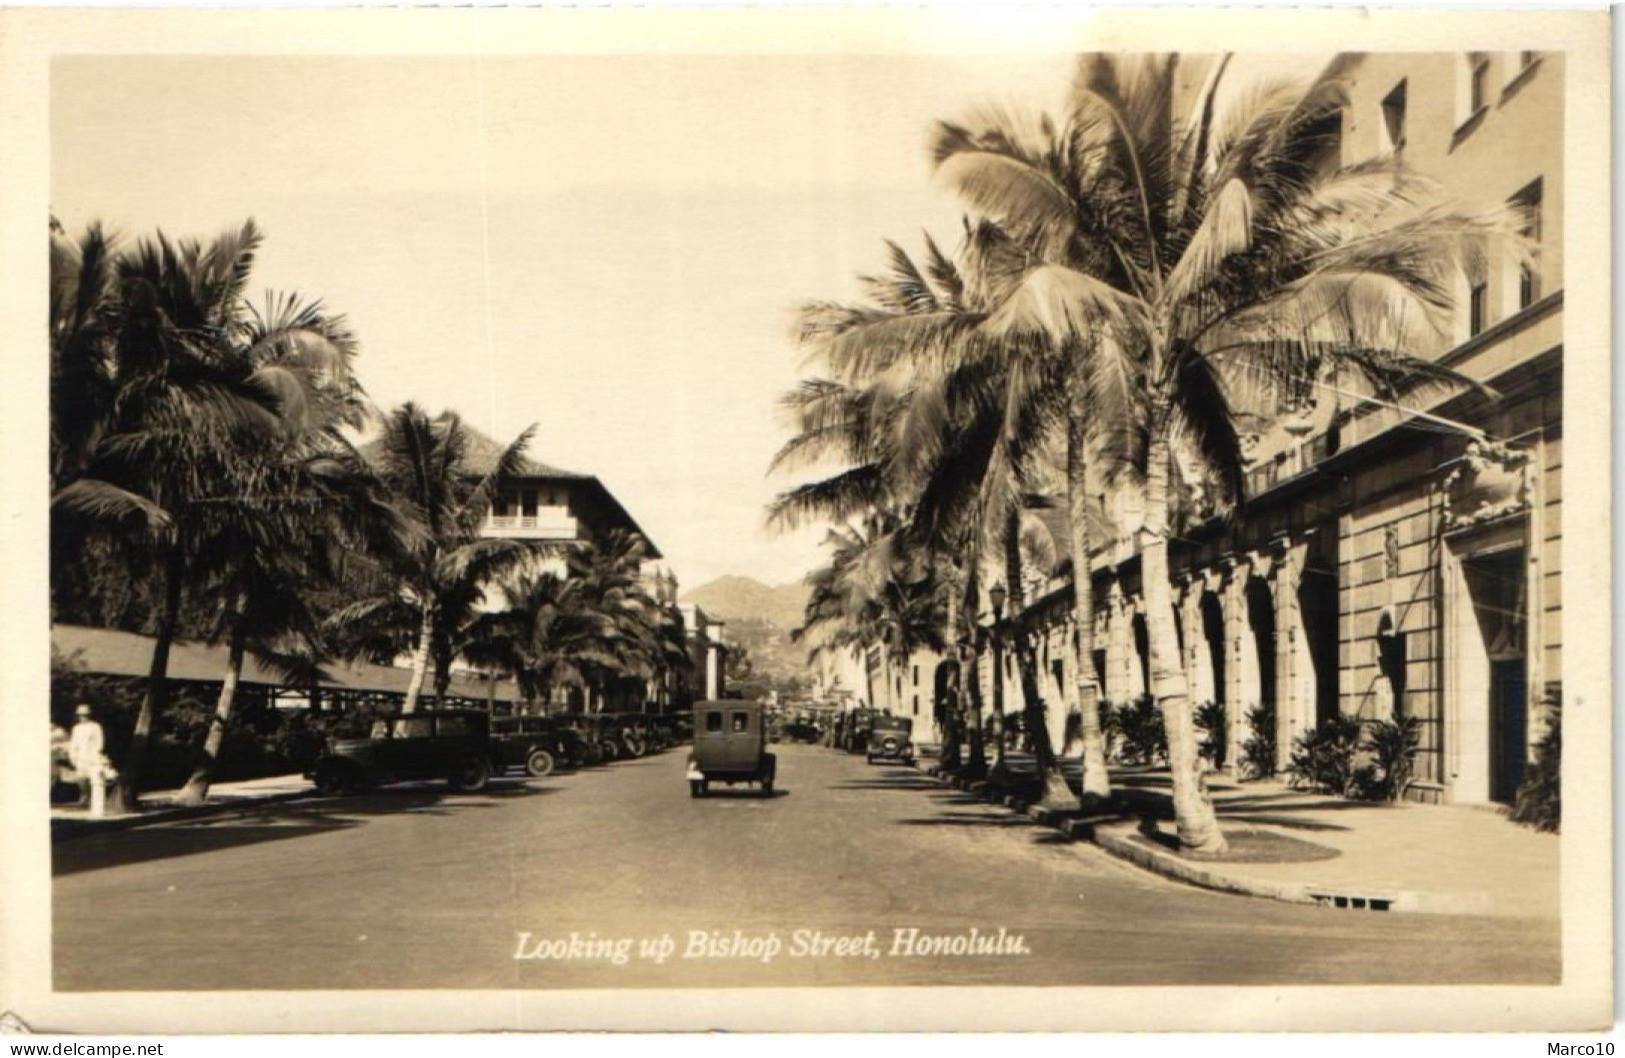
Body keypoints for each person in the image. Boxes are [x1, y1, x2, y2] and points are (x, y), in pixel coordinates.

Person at [69, 703, 107, 816]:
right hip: (80, 757)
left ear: (89, 715)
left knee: (96, 782)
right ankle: (85, 796)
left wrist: (95, 754)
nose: (82, 717)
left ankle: (96, 807)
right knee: (81, 779)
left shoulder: (95, 726)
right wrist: (73, 756)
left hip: (92, 757)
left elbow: (100, 743)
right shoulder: (76, 728)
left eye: (85, 715)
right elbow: (73, 743)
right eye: (80, 715)